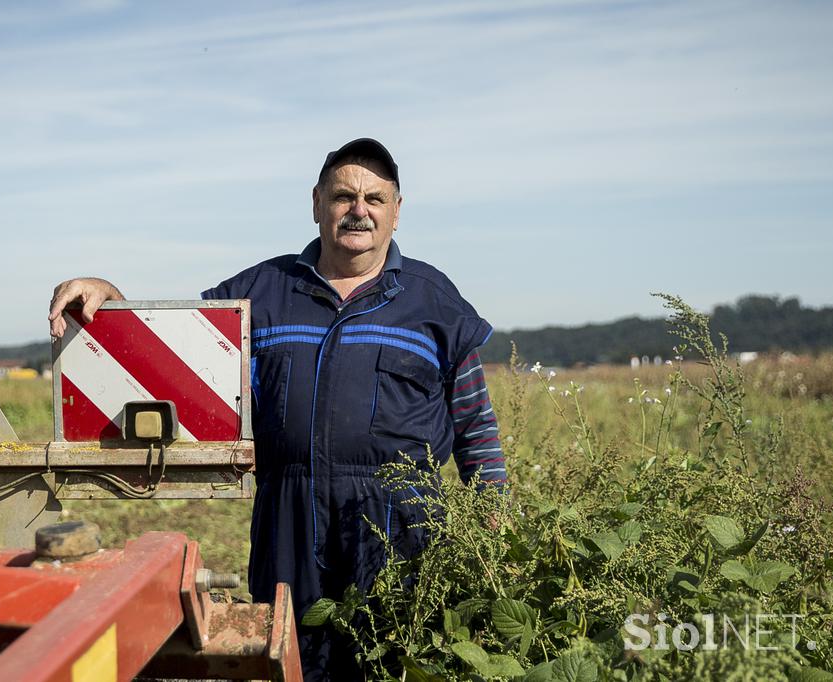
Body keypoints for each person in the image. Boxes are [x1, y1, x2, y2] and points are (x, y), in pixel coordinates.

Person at [49, 138, 506, 680]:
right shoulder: (259, 292)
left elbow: (477, 428)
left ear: (397, 211)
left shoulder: (436, 302)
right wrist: (109, 297)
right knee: (287, 662)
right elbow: (169, 357)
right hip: (288, 521)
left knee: (399, 662)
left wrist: (490, 527)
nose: (359, 210)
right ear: (316, 204)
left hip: (403, 529)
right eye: (343, 196)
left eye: (375, 199)